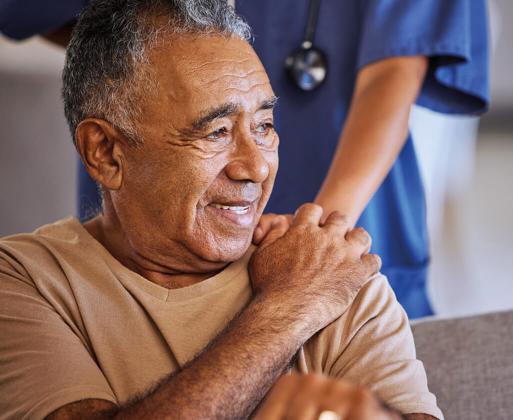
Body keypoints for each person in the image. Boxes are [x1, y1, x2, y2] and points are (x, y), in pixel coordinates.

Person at [0, 1, 442, 419]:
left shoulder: (332, 274)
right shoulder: (25, 279)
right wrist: (286, 310)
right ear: (107, 152)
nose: (256, 167)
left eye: (264, 126)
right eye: (216, 131)